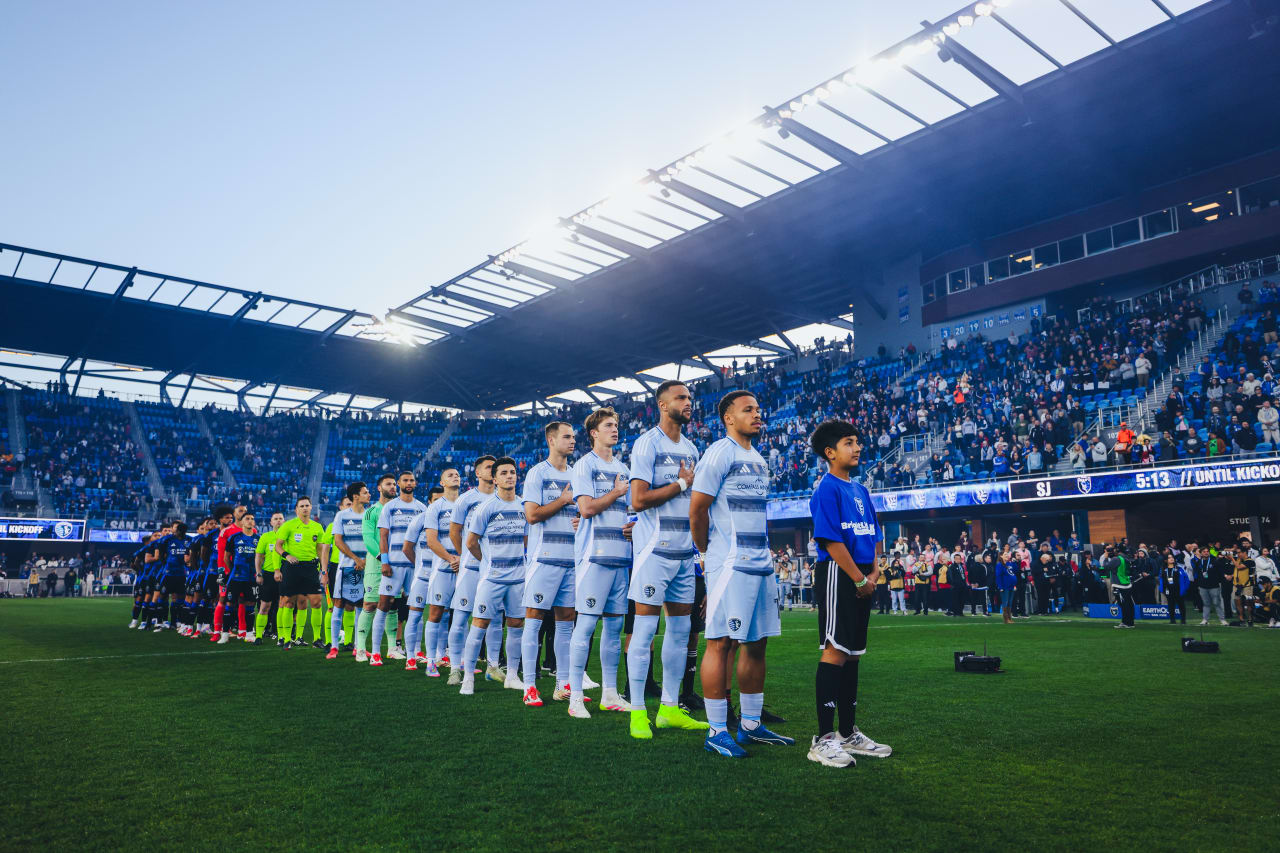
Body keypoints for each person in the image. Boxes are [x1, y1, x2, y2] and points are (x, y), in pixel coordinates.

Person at [691, 391, 791, 757]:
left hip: (760, 563)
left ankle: (750, 724)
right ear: (728, 418)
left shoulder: (758, 458)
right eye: (747, 409)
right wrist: (707, 552)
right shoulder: (720, 452)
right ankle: (717, 729)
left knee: (758, 641)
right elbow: (697, 509)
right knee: (720, 641)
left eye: (758, 409)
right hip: (729, 563)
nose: (757, 414)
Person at [624, 381, 709, 739]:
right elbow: (638, 500)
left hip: (683, 555)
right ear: (662, 404)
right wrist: (680, 485)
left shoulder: (690, 447)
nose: (688, 403)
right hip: (653, 553)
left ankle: (670, 709)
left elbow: (695, 503)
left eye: (689, 398)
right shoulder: (647, 444)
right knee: (644, 632)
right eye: (681, 398)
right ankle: (638, 713)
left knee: (680, 632)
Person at [806, 420, 892, 768]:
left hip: (862, 576)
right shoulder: (826, 489)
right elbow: (830, 540)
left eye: (857, 441)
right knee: (835, 651)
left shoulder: (861, 490)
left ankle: (847, 733)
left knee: (854, 653)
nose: (856, 448)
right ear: (830, 453)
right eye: (848, 442)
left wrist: (873, 572)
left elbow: (874, 536)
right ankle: (823, 739)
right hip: (839, 575)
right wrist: (859, 578)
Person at [567, 408, 632, 718]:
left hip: (621, 557)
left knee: (615, 628)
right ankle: (575, 697)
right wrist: (616, 492)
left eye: (616, 425)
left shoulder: (623, 467)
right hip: (594, 558)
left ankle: (610, 693)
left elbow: (628, 511)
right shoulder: (584, 466)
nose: (615, 429)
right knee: (586, 626)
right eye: (609, 425)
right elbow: (587, 508)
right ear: (594, 433)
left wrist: (633, 525)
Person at [519, 423, 580, 706]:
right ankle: (529, 686)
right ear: (551, 439)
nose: (572, 440)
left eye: (573, 436)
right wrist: (564, 500)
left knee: (566, 623)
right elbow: (532, 515)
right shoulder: (537, 473)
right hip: (543, 560)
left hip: (572, 560)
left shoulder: (577, 473)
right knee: (533, 622)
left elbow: (581, 512)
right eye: (567, 436)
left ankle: (562, 684)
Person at [460, 456, 528, 696]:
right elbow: (470, 542)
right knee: (479, 625)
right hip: (492, 578)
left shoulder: (523, 506)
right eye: (504, 473)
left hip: (519, 578)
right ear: (495, 478)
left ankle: (511, 675)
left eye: (513, 472)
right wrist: (488, 562)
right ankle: (468, 677)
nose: (510, 476)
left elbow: (527, 541)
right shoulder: (486, 507)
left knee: (516, 624)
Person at [447, 456, 500, 685]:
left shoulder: (505, 499)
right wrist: (467, 555)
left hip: (496, 570)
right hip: (471, 568)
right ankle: (455, 668)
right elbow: (454, 532)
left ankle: (493, 666)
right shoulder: (466, 499)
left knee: (496, 619)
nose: (493, 470)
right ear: (478, 473)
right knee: (460, 618)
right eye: (489, 467)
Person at [404, 469, 460, 675]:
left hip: (455, 569)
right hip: (427, 574)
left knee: (447, 615)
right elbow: (407, 547)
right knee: (418, 615)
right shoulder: (423, 517)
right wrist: (419, 564)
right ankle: (412, 657)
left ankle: (439, 655)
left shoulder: (462, 506)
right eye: (434, 499)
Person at [371, 471, 427, 666]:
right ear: (399, 484)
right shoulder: (390, 507)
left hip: (415, 566)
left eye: (412, 480)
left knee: (416, 608)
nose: (409, 483)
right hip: (393, 565)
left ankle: (417, 651)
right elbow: (383, 537)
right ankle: (376, 652)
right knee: (384, 605)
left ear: (415, 483)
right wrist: (384, 561)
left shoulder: (422, 508)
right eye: (405, 480)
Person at [272, 498, 328, 650]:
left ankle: (316, 639)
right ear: (296, 509)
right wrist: (287, 555)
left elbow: (320, 550)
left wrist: (323, 571)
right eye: (301, 506)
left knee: (315, 602)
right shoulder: (288, 525)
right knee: (289, 602)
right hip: (292, 567)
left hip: (310, 568)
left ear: (311, 508)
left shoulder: (317, 527)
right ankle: (286, 638)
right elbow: (278, 546)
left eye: (307, 506)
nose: (305, 508)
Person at [354, 474, 397, 661]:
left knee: (391, 604)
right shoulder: (372, 511)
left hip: (396, 564)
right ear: (379, 488)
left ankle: (393, 648)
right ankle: (361, 649)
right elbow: (369, 539)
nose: (393, 487)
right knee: (370, 604)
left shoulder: (398, 510)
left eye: (395, 484)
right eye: (389, 484)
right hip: (376, 564)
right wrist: (382, 558)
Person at [327, 482, 371, 660]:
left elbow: (375, 540)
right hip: (346, 567)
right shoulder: (342, 515)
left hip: (367, 567)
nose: (368, 495)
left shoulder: (370, 515)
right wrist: (356, 559)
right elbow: (338, 541)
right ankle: (334, 647)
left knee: (362, 605)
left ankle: (359, 646)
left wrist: (366, 560)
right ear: (355, 496)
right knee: (339, 605)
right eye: (365, 492)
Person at [222, 512, 260, 642]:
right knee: (230, 604)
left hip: (251, 578)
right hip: (236, 577)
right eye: (247, 519)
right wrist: (233, 569)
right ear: (242, 522)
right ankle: (225, 634)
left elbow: (261, 558)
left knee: (250, 605)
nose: (250, 521)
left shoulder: (258, 539)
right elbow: (226, 557)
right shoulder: (234, 538)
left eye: (252, 519)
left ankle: (249, 634)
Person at [252, 511, 285, 644]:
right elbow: (259, 556)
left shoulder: (288, 536)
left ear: (284, 521)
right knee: (265, 605)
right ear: (271, 522)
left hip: (285, 575)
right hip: (269, 575)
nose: (278, 521)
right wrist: (259, 573)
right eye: (275, 519)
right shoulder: (265, 537)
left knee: (283, 606)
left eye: (280, 519)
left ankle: (281, 636)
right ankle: (259, 636)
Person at [1192, 546, 1228, 626]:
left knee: (1216, 603)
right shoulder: (1198, 563)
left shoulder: (1214, 561)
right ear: (1201, 553)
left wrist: (1221, 580)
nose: (1206, 553)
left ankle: (1222, 619)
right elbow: (1197, 574)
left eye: (1207, 551)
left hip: (1214, 586)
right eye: (1204, 551)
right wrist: (1198, 584)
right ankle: (1205, 619)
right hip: (1202, 586)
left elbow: (1220, 572)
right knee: (1206, 603)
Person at [1103, 545, 1134, 628]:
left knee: (1123, 604)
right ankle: (1130, 622)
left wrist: (1105, 558)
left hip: (1119, 584)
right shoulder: (1126, 558)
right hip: (1127, 583)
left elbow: (1106, 567)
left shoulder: (1116, 559)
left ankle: (1126, 622)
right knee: (1129, 603)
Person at [1160, 552, 1189, 624]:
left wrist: (1184, 588)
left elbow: (1186, 578)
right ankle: (1172, 620)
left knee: (1181, 605)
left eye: (1172, 557)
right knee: (1171, 605)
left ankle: (1183, 620)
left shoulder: (1179, 568)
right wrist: (1163, 590)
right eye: (1169, 558)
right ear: (1166, 560)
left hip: (1179, 590)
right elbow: (1162, 581)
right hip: (1169, 591)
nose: (1171, 559)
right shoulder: (1163, 570)